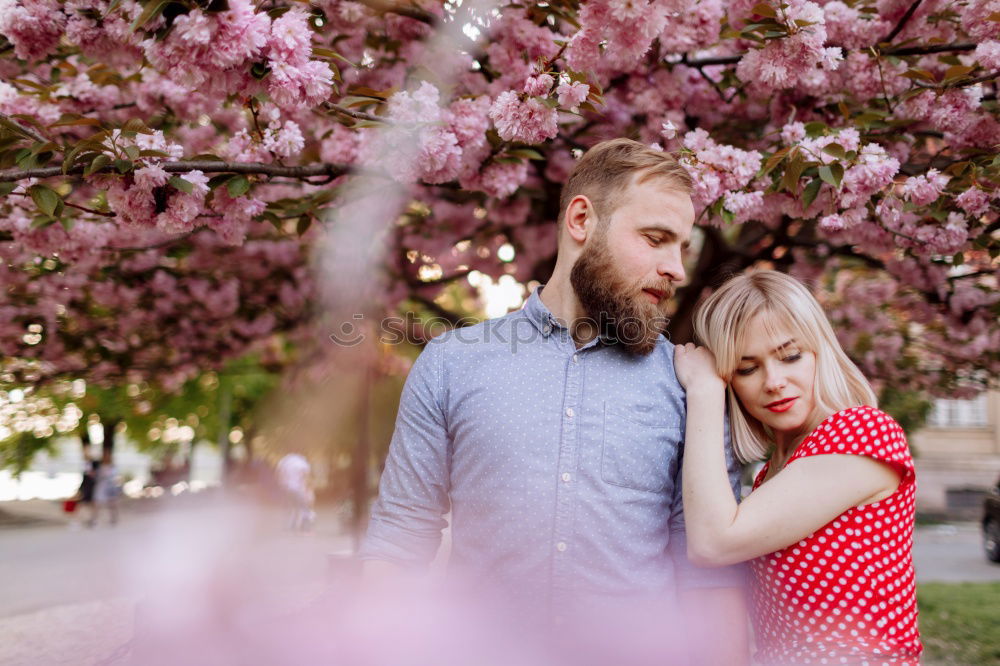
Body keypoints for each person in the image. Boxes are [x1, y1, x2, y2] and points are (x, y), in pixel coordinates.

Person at [361, 138, 747, 661]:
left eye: (682, 247)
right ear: (582, 220)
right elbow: (401, 539)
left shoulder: (690, 386)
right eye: (656, 239)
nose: (677, 268)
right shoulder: (452, 363)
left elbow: (707, 572)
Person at [673, 270, 922, 665]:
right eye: (746, 368)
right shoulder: (771, 473)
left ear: (820, 351)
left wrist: (704, 391)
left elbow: (712, 542)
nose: (774, 381)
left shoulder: (863, 433)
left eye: (790, 356)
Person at [276, 450, 315, 532]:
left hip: (286, 488)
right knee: (304, 507)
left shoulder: (284, 460)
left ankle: (291, 526)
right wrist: (308, 489)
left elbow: (278, 474)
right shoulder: (302, 461)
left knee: (292, 507)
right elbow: (306, 476)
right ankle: (305, 526)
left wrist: (282, 484)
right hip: (298, 488)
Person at [92, 450, 120, 526]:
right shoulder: (100, 466)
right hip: (101, 486)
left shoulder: (112, 467)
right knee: (97, 503)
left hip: (110, 487)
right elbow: (96, 476)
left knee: (112, 504)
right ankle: (95, 519)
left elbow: (115, 478)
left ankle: (113, 519)